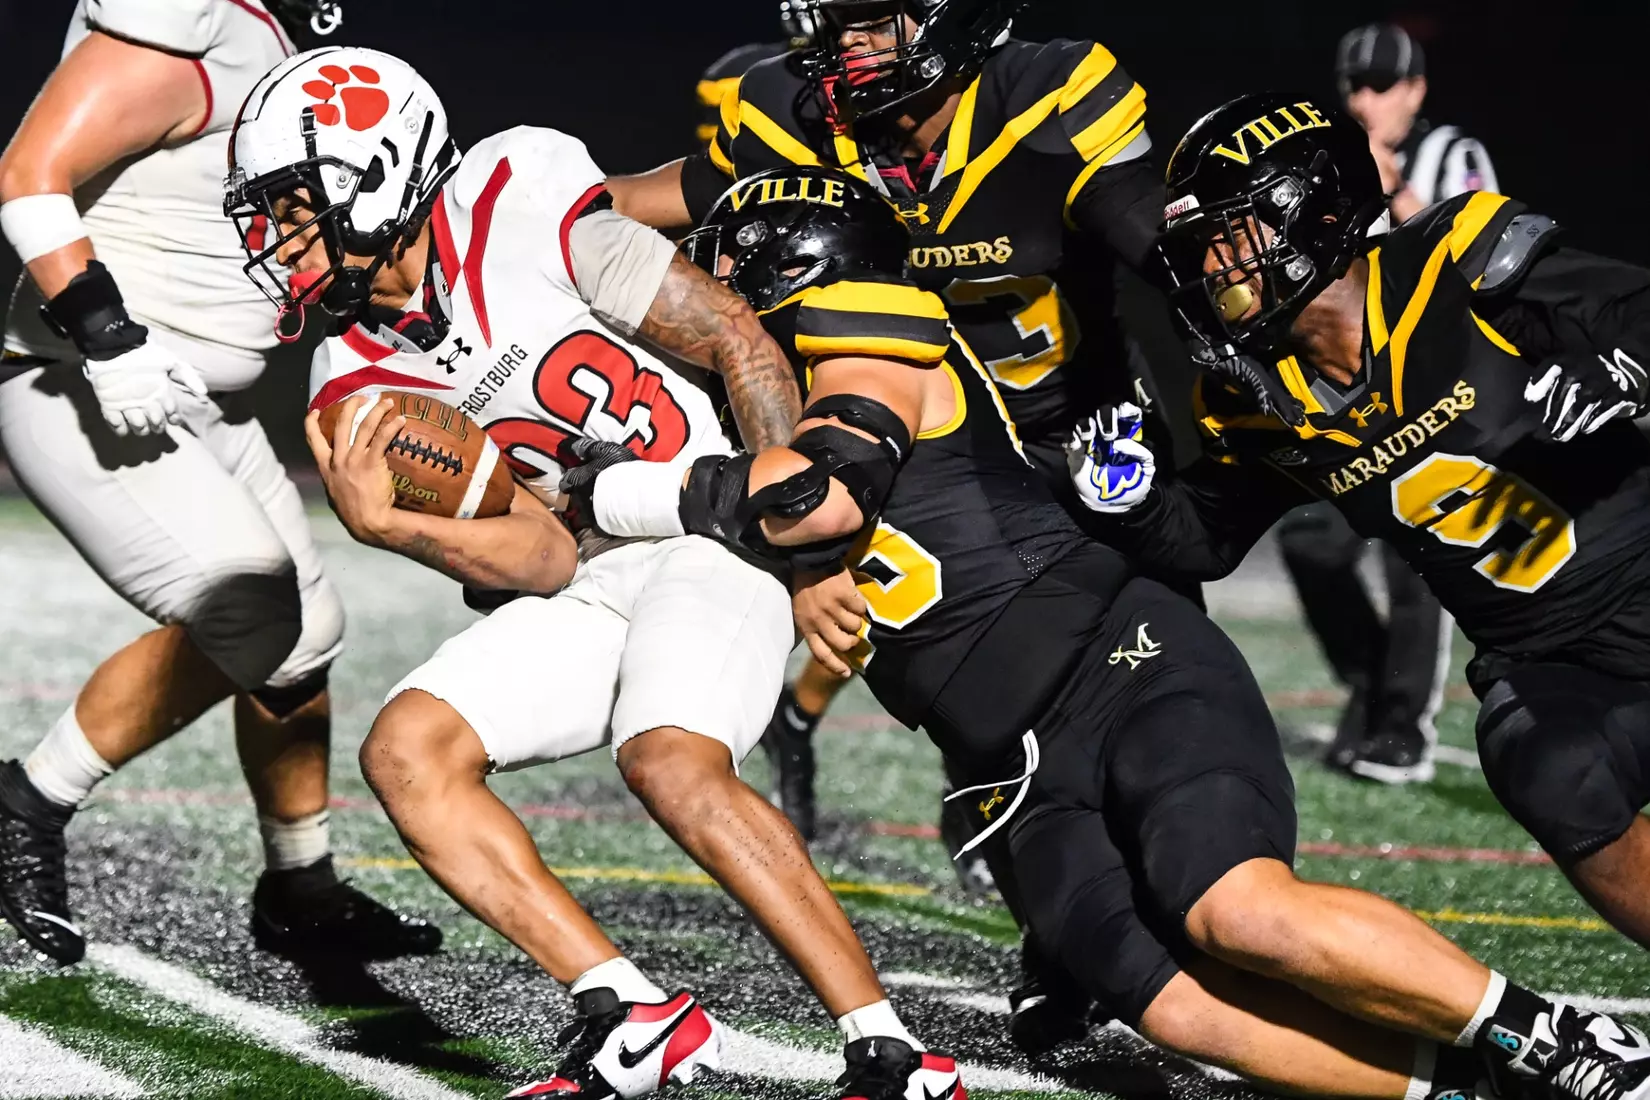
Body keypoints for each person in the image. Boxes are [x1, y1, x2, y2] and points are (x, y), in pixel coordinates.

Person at [569, 161, 1650, 1100]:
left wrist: (620, 492)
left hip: (1118, 665)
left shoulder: (868, 322)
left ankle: (1564, 1038)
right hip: (1006, 762)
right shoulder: (763, 408)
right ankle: (1468, 1081)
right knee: (1178, 1009)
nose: (699, 312)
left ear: (782, 271)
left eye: (720, 282)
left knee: (1239, 913)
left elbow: (828, 488)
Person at [227, 46, 964, 1100]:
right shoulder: (354, 373)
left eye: (296, 206)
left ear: (379, 170)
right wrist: (399, 531)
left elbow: (738, 340)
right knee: (409, 749)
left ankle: (892, 1052)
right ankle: (629, 1009)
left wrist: (796, 549)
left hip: (716, 530)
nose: (278, 239)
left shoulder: (514, 200)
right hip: (600, 566)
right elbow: (544, 552)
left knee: (669, 759)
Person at [610, 0, 1165, 955]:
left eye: (872, 20)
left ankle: (1175, 905)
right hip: (921, 456)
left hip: (1075, 433)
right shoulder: (790, 112)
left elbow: (1167, 247)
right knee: (988, 715)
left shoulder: (1047, 95)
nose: (846, 45)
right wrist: (510, 208)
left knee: (1143, 708)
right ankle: (1062, 939)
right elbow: (645, 199)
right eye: (833, 23)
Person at [1074, 88, 1650, 990]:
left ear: (1317, 210)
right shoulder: (1254, 396)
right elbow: (1206, 541)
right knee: (1545, 766)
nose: (1210, 265)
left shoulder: (1454, 260)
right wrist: (1127, 494)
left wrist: (1619, 367)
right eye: (1200, 244)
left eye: (1231, 234)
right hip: (1548, 652)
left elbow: (1635, 311)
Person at [0, 0, 434, 967]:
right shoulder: (191, 17)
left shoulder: (270, 42)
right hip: (92, 383)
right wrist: (108, 339)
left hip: (209, 406)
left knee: (306, 644)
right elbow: (30, 176)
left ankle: (300, 888)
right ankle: (26, 802)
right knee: (255, 613)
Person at [1273, 21, 1501, 783]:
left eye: (1381, 86)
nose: (1365, 100)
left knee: (1416, 558)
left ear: (1415, 90)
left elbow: (1472, 253)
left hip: (1436, 382)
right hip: (1349, 384)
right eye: (1354, 86)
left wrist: (1390, 183)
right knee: (1310, 538)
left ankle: (1403, 728)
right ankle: (1369, 684)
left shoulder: (1452, 156)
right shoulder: (1328, 160)